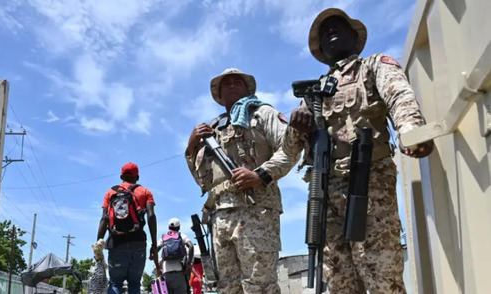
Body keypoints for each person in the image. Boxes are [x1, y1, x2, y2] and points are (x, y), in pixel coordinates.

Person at [285, 8, 435, 294]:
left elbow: (398, 94)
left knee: (381, 274)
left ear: (355, 37)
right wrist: (297, 124)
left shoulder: (373, 65)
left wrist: (410, 131)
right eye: (324, 30)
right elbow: (289, 148)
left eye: (338, 26)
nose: (331, 31)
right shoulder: (315, 91)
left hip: (369, 184)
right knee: (340, 281)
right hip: (326, 193)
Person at [185, 68, 299, 294]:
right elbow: (202, 179)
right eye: (225, 83)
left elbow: (290, 147)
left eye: (238, 81)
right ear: (218, 93)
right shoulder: (212, 129)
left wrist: (261, 175)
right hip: (220, 215)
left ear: (248, 88)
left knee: (260, 285)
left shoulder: (262, 113)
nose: (232, 85)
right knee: (227, 288)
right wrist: (191, 146)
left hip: (256, 210)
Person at [96, 162, 158, 294]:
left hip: (116, 244)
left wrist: (98, 244)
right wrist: (154, 244)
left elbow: (104, 219)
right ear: (138, 177)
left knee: (115, 283)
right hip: (138, 243)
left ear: (121, 176)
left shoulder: (110, 193)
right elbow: (151, 216)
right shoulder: (145, 192)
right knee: (135, 283)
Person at [156, 218, 194, 294]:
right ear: (179, 227)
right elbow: (191, 246)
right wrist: (189, 264)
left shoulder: (163, 237)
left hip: (166, 275)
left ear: (168, 227)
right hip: (179, 274)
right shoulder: (181, 235)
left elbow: (155, 251)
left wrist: (157, 267)